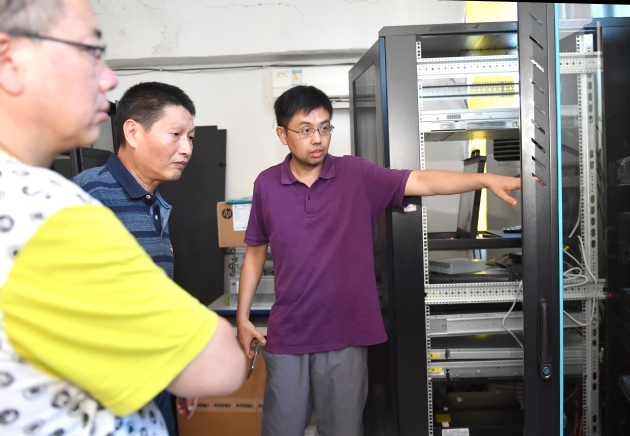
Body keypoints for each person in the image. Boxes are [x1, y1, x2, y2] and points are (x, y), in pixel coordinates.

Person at [0, 1, 245, 436]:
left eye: (191, 137)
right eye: (88, 51)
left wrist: (172, 364)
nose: (109, 78)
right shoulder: (63, 205)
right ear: (10, 61)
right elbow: (219, 363)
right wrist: (187, 350)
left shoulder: (148, 203)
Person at [236, 85, 522, 436]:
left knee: (342, 431)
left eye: (324, 127)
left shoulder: (357, 175)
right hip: (288, 334)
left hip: (345, 334)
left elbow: (421, 181)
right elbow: (255, 254)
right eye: (306, 130)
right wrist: (242, 317)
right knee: (281, 430)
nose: (318, 139)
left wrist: (485, 179)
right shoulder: (266, 185)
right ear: (283, 134)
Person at [73, 81, 198, 436]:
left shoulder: (154, 204)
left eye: (191, 138)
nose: (186, 149)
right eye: (175, 135)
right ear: (133, 132)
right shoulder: (89, 196)